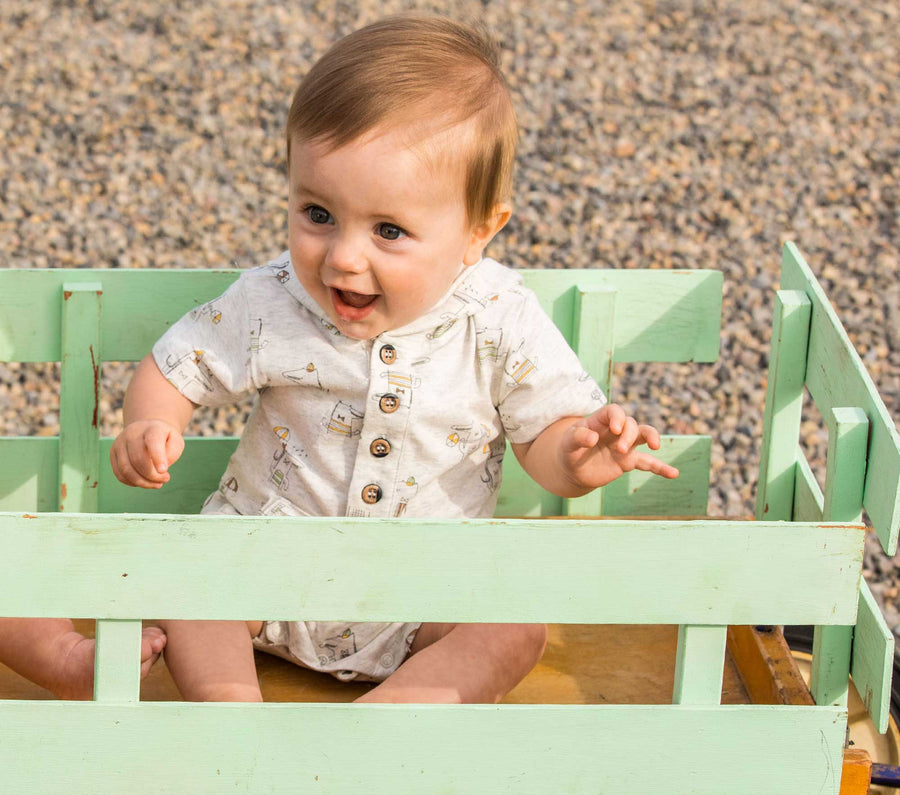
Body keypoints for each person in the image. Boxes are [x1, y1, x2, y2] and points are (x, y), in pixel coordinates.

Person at [3, 14, 678, 704]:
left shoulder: (499, 319)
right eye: (317, 214)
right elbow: (178, 365)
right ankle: (233, 720)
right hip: (260, 568)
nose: (343, 257)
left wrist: (585, 453)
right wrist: (149, 423)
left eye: (389, 231)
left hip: (423, 592)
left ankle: (380, 730)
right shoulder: (274, 300)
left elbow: (548, 446)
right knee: (182, 582)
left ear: (479, 232)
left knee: (512, 631)